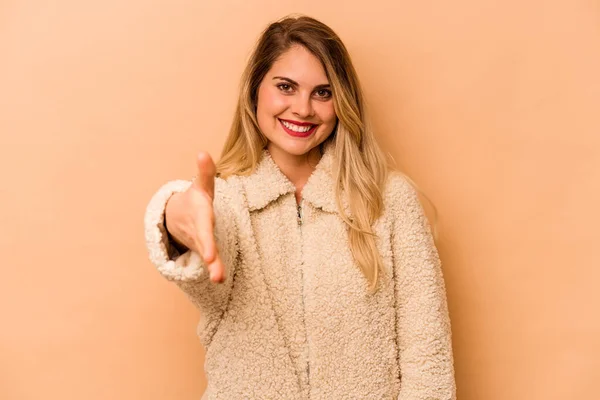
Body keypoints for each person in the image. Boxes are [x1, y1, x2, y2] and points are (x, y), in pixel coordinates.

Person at [144, 15, 456, 399]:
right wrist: (174, 219)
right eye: (286, 87)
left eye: (323, 93)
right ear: (256, 91)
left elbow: (428, 355)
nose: (304, 109)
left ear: (342, 103)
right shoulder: (227, 202)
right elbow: (201, 252)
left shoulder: (389, 201)